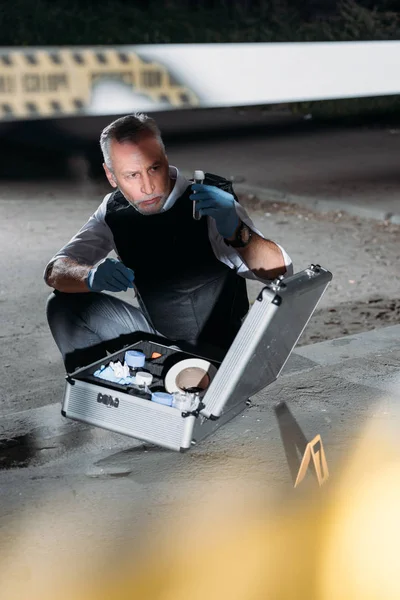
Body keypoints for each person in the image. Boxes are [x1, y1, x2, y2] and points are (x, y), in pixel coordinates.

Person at [44, 113, 293, 372]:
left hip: (219, 356)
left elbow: (281, 275)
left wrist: (236, 229)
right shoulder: (113, 210)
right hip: (156, 341)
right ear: (111, 175)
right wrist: (89, 276)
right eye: (131, 175)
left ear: (165, 159)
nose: (148, 187)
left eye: (154, 168)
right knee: (63, 305)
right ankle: (95, 395)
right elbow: (55, 270)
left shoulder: (205, 199)